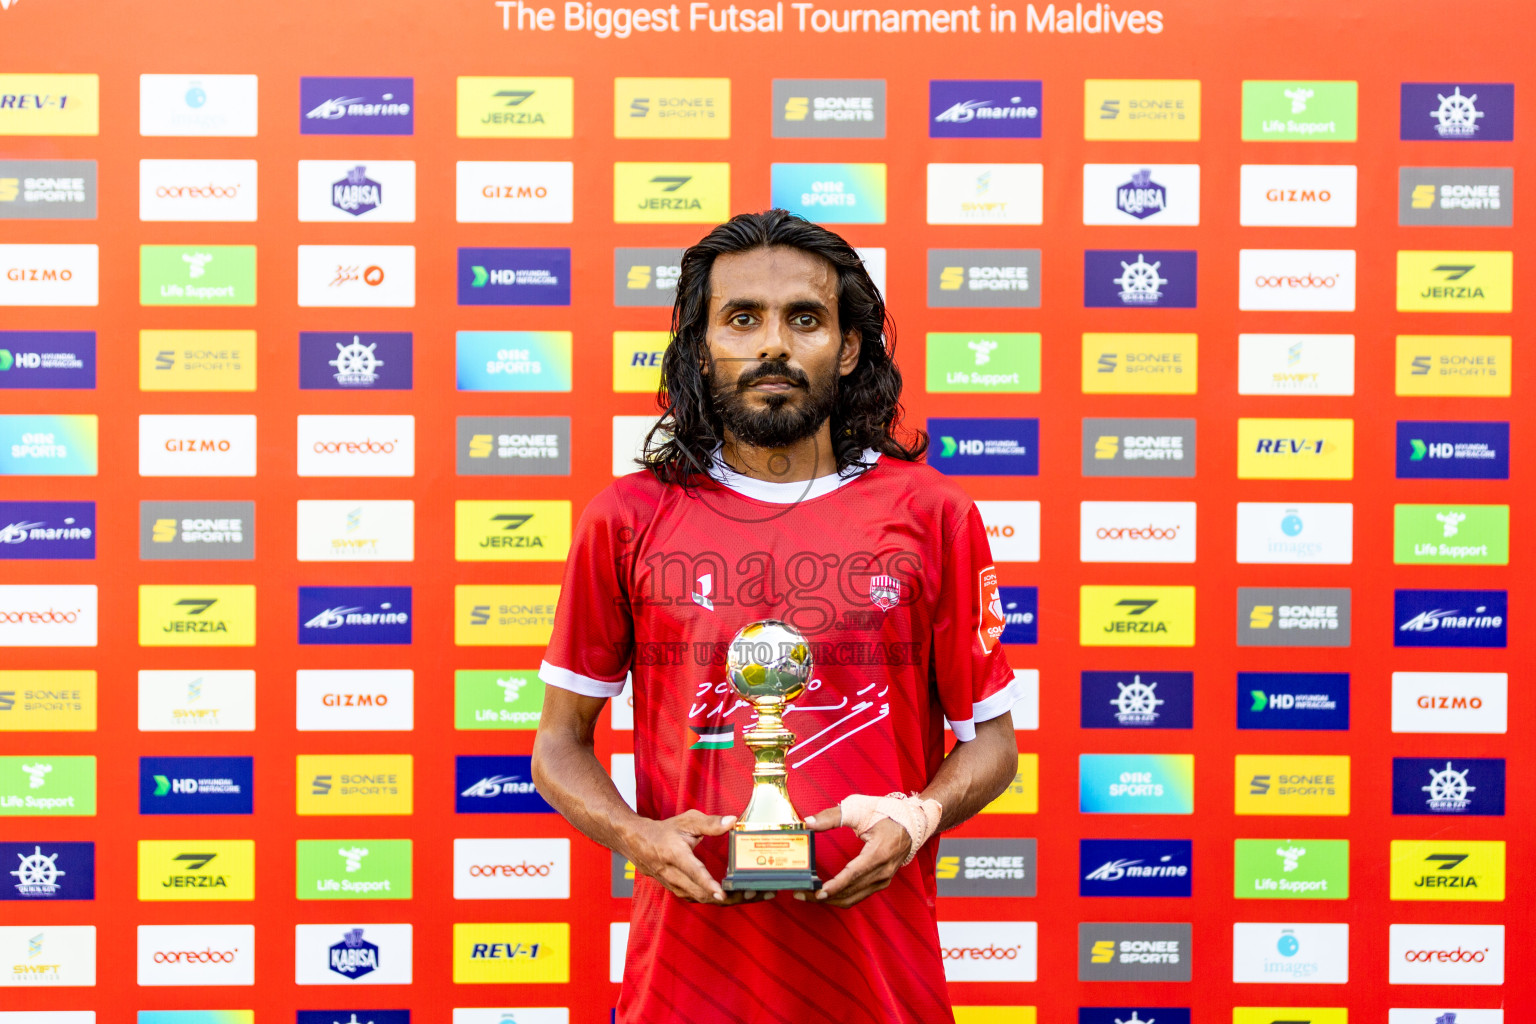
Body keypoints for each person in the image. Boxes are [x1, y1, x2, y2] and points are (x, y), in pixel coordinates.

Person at [532, 209, 1024, 1024]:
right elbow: (558, 744)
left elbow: (995, 745)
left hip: (879, 979)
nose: (774, 345)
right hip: (686, 984)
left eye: (805, 318)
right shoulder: (626, 518)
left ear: (850, 345)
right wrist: (632, 835)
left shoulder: (933, 514)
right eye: (742, 318)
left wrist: (917, 816)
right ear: (699, 345)